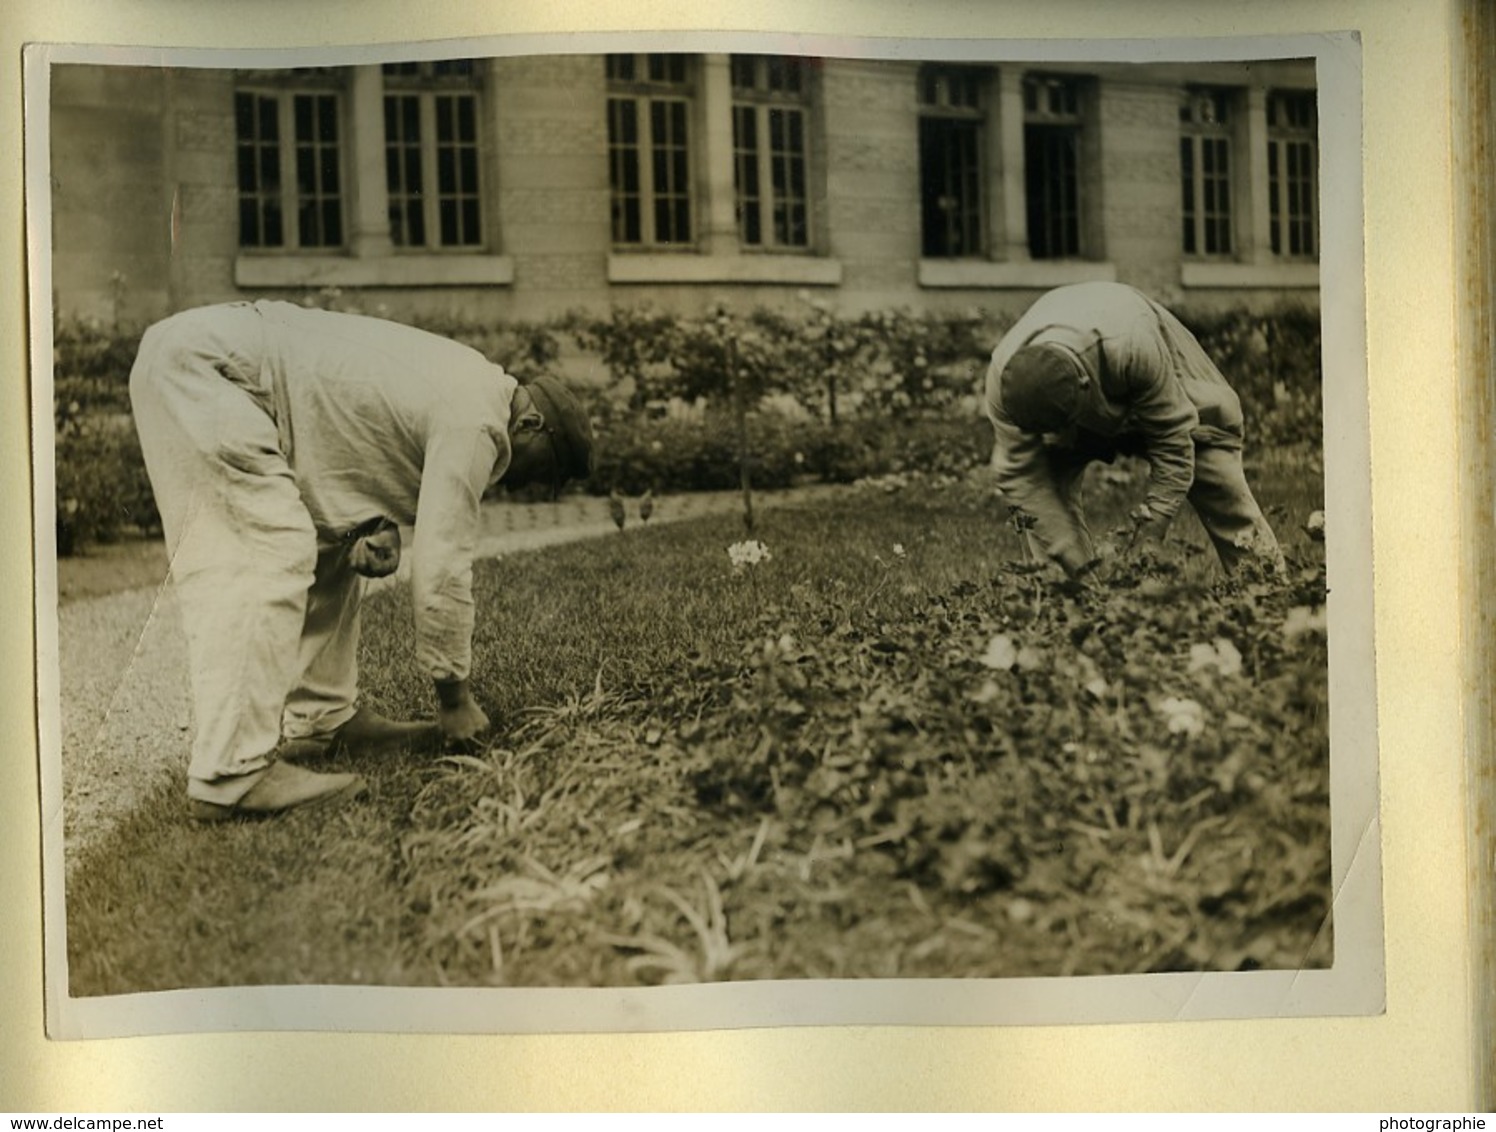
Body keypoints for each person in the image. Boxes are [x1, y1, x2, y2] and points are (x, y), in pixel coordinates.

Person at [128, 300, 595, 822]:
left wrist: (372, 521)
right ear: (531, 422)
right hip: (210, 370)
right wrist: (453, 697)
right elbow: (441, 568)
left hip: (214, 359)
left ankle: (324, 720)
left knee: (323, 545)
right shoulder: (479, 424)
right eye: (543, 471)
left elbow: (352, 423)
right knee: (266, 551)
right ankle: (231, 776)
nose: (528, 486)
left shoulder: (471, 383)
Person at [982, 281, 1285, 579]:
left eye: (1061, 428)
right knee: (1044, 492)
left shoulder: (1130, 345)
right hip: (1089, 375)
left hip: (1147, 370)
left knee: (1214, 467)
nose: (1054, 440)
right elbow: (1022, 478)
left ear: (1086, 385)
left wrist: (1148, 536)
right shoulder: (1004, 382)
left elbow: (1174, 445)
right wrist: (1075, 569)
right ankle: (1068, 612)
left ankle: (1267, 593)